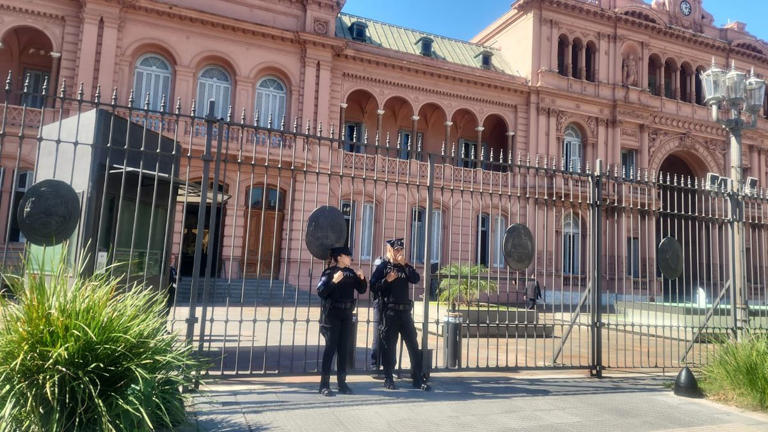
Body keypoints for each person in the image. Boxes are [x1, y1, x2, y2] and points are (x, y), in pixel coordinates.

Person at [370, 238, 430, 391]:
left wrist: (406, 265)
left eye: (400, 250)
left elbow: (415, 279)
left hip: (405, 312)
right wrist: (386, 280)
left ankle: (417, 378)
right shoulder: (383, 266)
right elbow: (373, 287)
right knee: (389, 346)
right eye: (395, 249)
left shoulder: (405, 267)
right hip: (390, 312)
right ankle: (388, 378)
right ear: (389, 250)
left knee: (413, 345)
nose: (398, 252)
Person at [316, 246, 367, 396]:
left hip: (347, 314)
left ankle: (342, 383)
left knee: (343, 349)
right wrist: (333, 281)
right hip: (332, 314)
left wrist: (362, 278)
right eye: (348, 255)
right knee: (330, 348)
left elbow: (362, 290)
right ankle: (324, 385)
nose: (350, 258)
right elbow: (321, 292)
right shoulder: (329, 272)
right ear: (339, 257)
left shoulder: (351, 273)